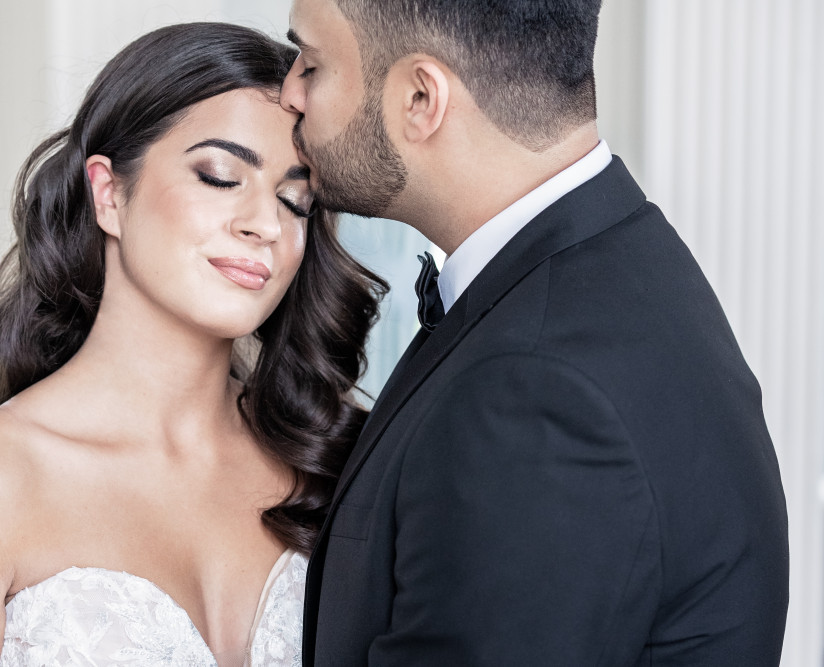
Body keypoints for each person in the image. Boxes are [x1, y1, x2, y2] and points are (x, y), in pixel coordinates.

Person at [281, 0, 790, 664]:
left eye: (312, 63)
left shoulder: (533, 391)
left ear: (420, 97)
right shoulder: (623, 261)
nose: (289, 91)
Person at [0, 22, 385, 666]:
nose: (264, 224)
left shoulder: (338, 457)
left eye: (295, 200)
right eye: (221, 176)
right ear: (109, 193)